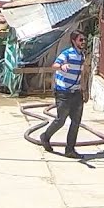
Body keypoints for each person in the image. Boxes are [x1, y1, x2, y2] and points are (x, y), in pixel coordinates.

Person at [39, 30, 87, 159]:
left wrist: (84, 90)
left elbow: (82, 74)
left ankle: (70, 150)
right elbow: (54, 65)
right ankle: (45, 137)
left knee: (76, 122)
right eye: (80, 40)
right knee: (61, 120)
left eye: (84, 39)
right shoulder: (67, 53)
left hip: (76, 93)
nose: (83, 42)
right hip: (63, 92)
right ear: (74, 41)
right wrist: (62, 67)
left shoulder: (82, 56)